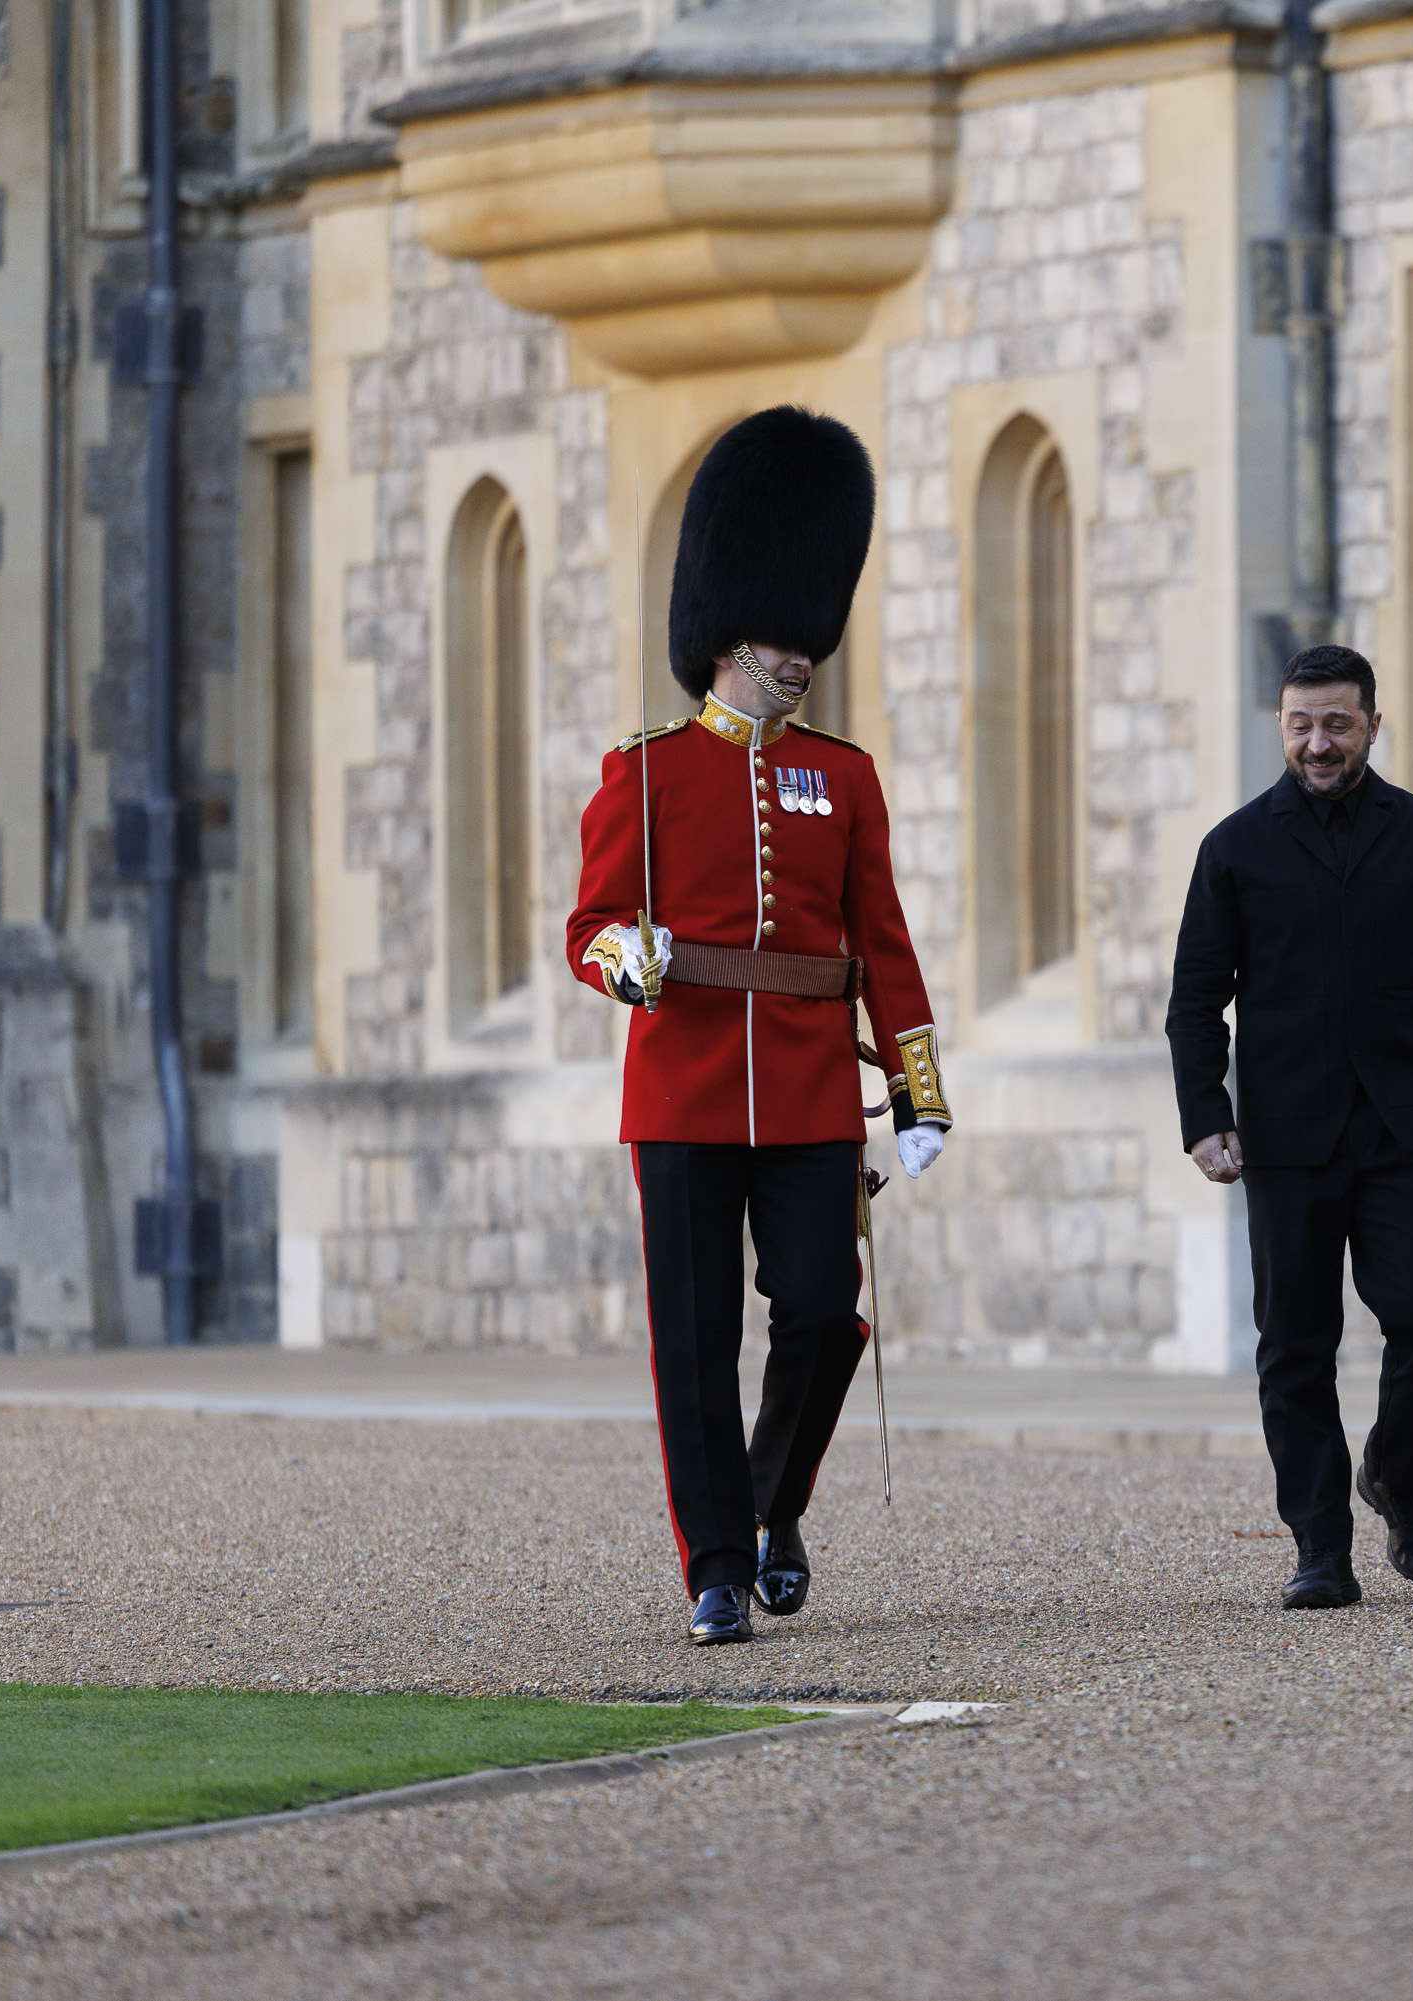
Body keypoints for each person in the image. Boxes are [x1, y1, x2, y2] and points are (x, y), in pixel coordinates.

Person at [567, 407, 953, 1646]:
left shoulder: (842, 776)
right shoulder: (648, 770)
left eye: (810, 644)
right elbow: (591, 924)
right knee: (693, 1343)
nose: (805, 664)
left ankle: (775, 1502)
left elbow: (879, 938)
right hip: (681, 1090)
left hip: (801, 1094)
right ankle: (717, 1568)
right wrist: (630, 960)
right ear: (734, 639)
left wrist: (918, 1084)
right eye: (788, 645)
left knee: (823, 1315)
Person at [1165, 645, 1413, 1609]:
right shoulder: (1233, 848)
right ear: (1281, 725)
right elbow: (1195, 1000)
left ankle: (1394, 1470)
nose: (1318, 742)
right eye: (1301, 724)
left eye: (1338, 724)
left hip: (1403, 1130)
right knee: (1295, 1343)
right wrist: (1205, 1118)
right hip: (1284, 1134)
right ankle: (1321, 1542)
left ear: (1372, 727)